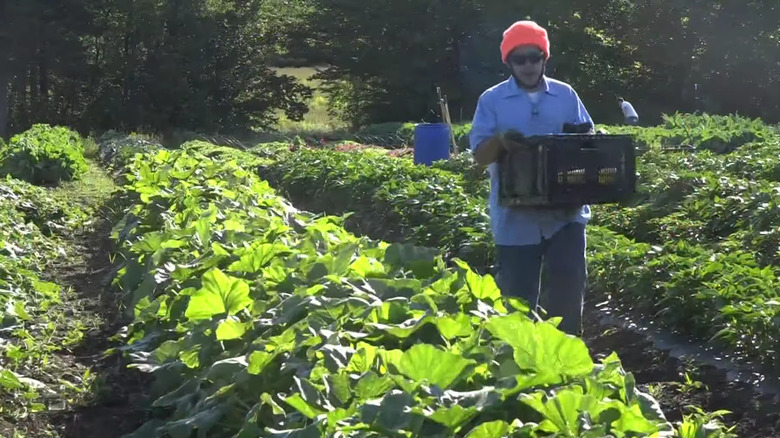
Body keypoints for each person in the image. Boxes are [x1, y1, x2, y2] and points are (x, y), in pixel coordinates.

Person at [468, 20, 592, 336]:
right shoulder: (492, 100)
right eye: (519, 59)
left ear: (544, 58)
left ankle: (566, 363)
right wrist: (499, 142)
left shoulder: (565, 95)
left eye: (533, 57)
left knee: (567, 291)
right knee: (517, 302)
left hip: (565, 215)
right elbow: (480, 156)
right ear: (508, 62)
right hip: (515, 216)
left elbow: (588, 142)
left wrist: (584, 139)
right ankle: (522, 370)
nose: (527, 65)